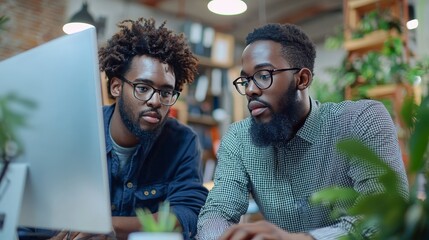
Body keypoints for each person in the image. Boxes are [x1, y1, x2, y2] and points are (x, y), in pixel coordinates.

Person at [196, 23, 409, 240]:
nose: (250, 90)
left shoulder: (359, 121)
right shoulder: (239, 139)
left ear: (302, 79)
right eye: (246, 80)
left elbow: (387, 216)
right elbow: (218, 210)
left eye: (263, 75)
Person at [38, 17, 207, 240]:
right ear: (116, 87)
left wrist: (112, 226)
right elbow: (39, 213)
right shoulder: (76, 133)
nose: (155, 101)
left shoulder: (182, 141)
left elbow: (188, 214)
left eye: (166, 92)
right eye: (143, 88)